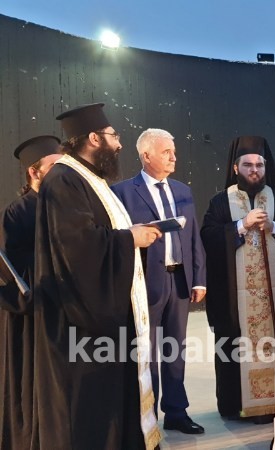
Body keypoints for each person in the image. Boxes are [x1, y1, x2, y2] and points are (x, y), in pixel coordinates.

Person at [33, 103, 162, 449]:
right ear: (94, 138)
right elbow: (78, 248)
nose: (119, 144)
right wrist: (129, 239)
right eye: (113, 136)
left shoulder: (90, 179)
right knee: (92, 415)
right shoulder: (64, 180)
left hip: (104, 320)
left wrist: (130, 236)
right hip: (82, 325)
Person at [110, 128, 207, 435]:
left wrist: (199, 279)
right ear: (146, 155)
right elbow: (118, 239)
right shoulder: (123, 192)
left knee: (175, 350)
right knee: (147, 353)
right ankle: (147, 417)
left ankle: (176, 412)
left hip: (179, 280)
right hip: (144, 283)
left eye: (173, 152)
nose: (173, 157)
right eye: (166, 152)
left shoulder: (182, 190)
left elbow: (193, 237)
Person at [200, 135, 275, 423]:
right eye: (248, 165)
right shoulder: (220, 202)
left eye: (259, 165)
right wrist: (241, 225)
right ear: (236, 168)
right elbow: (208, 238)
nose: (254, 170)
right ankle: (236, 404)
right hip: (234, 299)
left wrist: (274, 227)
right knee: (234, 347)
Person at [0, 135, 61, 450]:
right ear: (33, 172)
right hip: (32, 310)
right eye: (53, 166)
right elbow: (11, 267)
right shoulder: (18, 211)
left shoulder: (66, 207)